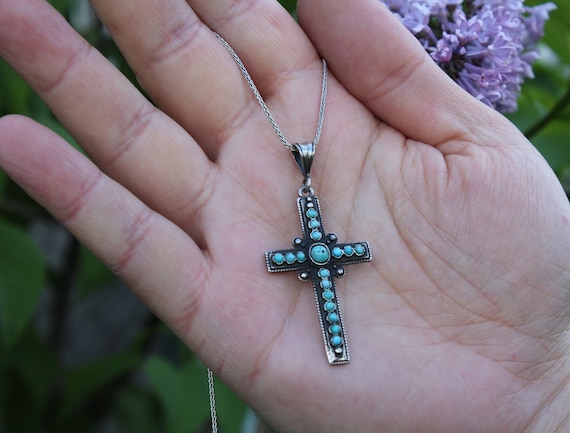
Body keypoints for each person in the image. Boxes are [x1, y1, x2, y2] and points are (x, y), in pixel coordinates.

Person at [1, 0, 569, 431]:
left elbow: (339, 253)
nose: (330, 253)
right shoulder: (315, 241)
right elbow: (320, 254)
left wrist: (551, 381)